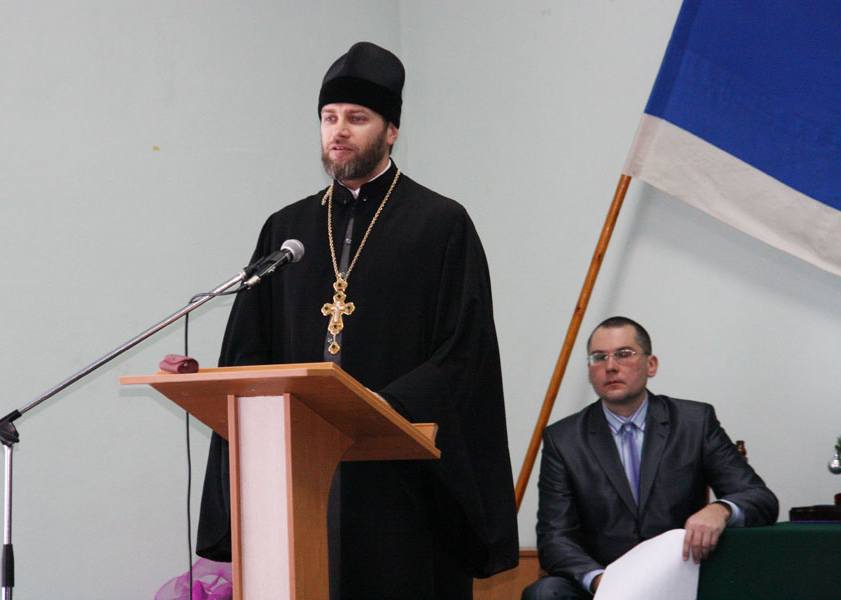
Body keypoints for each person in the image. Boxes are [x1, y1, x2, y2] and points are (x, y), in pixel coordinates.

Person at [196, 41, 518, 599]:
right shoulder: (286, 229)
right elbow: (248, 346)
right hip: (301, 474)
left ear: (391, 130)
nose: (338, 131)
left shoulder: (440, 224)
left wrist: (382, 406)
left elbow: (464, 349)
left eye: (356, 118)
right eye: (329, 117)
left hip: (400, 476)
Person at [522, 316, 778, 600]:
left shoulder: (694, 422)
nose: (610, 366)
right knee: (544, 593)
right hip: (603, 583)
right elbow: (555, 537)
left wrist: (720, 510)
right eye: (599, 357)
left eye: (624, 354)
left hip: (682, 577)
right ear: (590, 371)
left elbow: (759, 497)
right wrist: (603, 582)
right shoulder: (564, 439)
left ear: (651, 364)